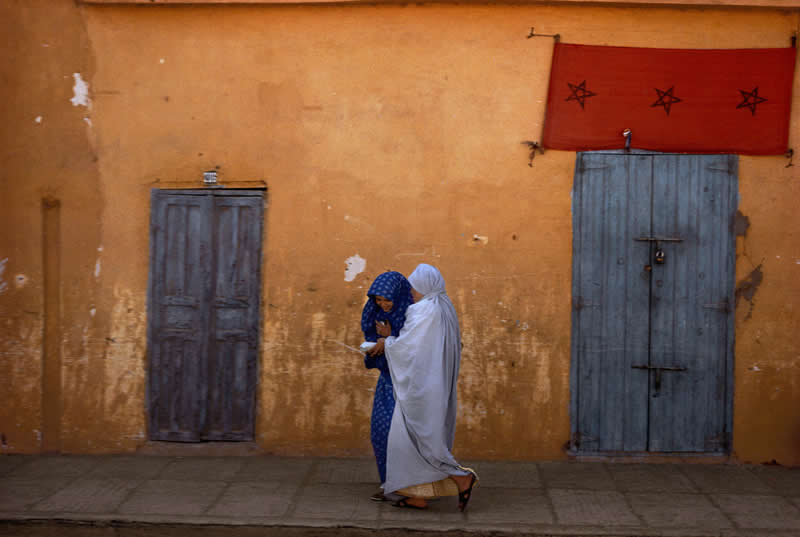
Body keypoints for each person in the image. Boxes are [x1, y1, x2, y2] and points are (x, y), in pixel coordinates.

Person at [376, 263, 478, 511]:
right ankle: (418, 496)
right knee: (425, 437)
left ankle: (461, 478)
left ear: (425, 286)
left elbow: (408, 349)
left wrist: (387, 339)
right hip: (437, 384)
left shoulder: (423, 310)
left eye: (414, 286)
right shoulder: (445, 306)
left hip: (420, 389)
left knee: (417, 439)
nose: (411, 291)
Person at [360, 271, 414, 501]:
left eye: (387, 300)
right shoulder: (377, 314)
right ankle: (389, 483)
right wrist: (378, 344)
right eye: (378, 300)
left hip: (408, 386)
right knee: (381, 433)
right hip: (387, 382)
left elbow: (416, 349)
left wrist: (390, 339)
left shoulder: (415, 317)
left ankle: (410, 486)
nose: (382, 304)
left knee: (401, 436)